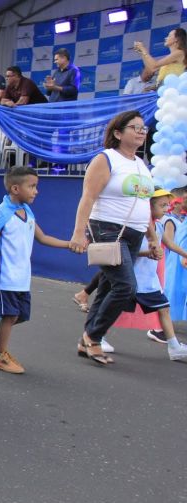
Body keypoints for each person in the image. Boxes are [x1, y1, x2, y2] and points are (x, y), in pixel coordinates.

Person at [69, 111, 161, 366]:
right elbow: (88, 197)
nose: (142, 132)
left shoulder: (141, 164)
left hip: (134, 233)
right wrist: (79, 232)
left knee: (109, 286)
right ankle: (93, 336)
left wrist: (152, 238)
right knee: (126, 287)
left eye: (144, 128)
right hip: (108, 229)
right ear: (118, 133)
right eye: (135, 127)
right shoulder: (106, 159)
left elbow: (143, 204)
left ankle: (85, 340)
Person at [0, 167, 71, 373]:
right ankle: (1, 356)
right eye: (31, 186)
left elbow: (43, 237)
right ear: (15, 188)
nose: (36, 191)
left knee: (18, 316)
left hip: (22, 278)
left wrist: (69, 245)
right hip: (5, 279)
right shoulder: (3, 212)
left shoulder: (27, 212)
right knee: (10, 315)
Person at [119, 188, 187, 361]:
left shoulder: (157, 225)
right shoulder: (138, 227)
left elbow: (169, 244)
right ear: (149, 206)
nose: (166, 208)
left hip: (149, 280)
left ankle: (174, 347)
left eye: (167, 205)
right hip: (132, 278)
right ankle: (95, 336)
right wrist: (147, 254)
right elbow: (127, 251)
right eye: (162, 205)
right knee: (111, 310)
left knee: (164, 308)